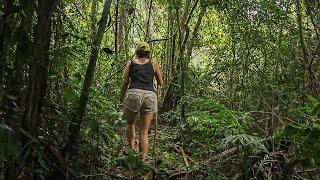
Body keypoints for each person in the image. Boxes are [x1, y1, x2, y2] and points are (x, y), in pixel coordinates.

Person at [119, 41, 164, 161]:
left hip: (134, 93)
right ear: (148, 53)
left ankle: (132, 151)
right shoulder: (154, 63)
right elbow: (161, 82)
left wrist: (121, 99)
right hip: (150, 95)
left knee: (130, 123)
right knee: (144, 131)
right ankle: (143, 159)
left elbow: (125, 83)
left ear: (137, 52)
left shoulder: (131, 63)